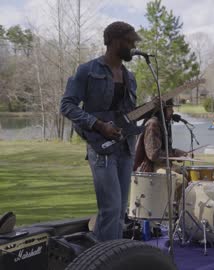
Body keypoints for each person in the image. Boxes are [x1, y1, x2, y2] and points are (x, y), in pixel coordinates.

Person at [60, 21, 142, 241]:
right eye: (129, 42)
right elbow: (67, 105)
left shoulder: (130, 76)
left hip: (125, 147)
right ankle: (105, 261)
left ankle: (108, 254)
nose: (133, 46)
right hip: (101, 148)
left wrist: (152, 111)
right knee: (110, 209)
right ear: (115, 42)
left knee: (120, 211)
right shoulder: (88, 70)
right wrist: (98, 125)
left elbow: (127, 115)